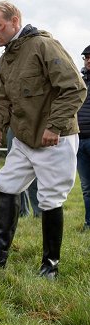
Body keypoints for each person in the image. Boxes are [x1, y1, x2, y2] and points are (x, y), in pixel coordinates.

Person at [0, 1, 86, 278]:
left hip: (54, 140)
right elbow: (3, 98)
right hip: (24, 140)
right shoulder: (6, 59)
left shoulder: (43, 46)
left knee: (50, 199)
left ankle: (50, 265)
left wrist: (54, 126)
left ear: (14, 20)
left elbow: (75, 89)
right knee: (6, 184)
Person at [6, 127, 40, 218]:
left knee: (34, 173)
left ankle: (39, 212)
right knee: (16, 173)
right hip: (14, 127)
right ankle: (22, 212)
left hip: (35, 126)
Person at [77, 45, 90, 231]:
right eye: (86, 57)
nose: (88, 60)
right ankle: (89, 223)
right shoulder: (78, 82)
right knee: (87, 187)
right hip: (79, 140)